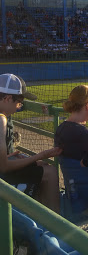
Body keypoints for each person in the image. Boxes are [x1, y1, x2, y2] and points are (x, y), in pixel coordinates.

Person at [0, 73, 61, 212]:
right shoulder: (1, 120)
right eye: (18, 103)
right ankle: (55, 226)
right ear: (8, 98)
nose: (18, 108)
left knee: (37, 165)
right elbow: (3, 167)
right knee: (50, 171)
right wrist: (40, 155)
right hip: (2, 179)